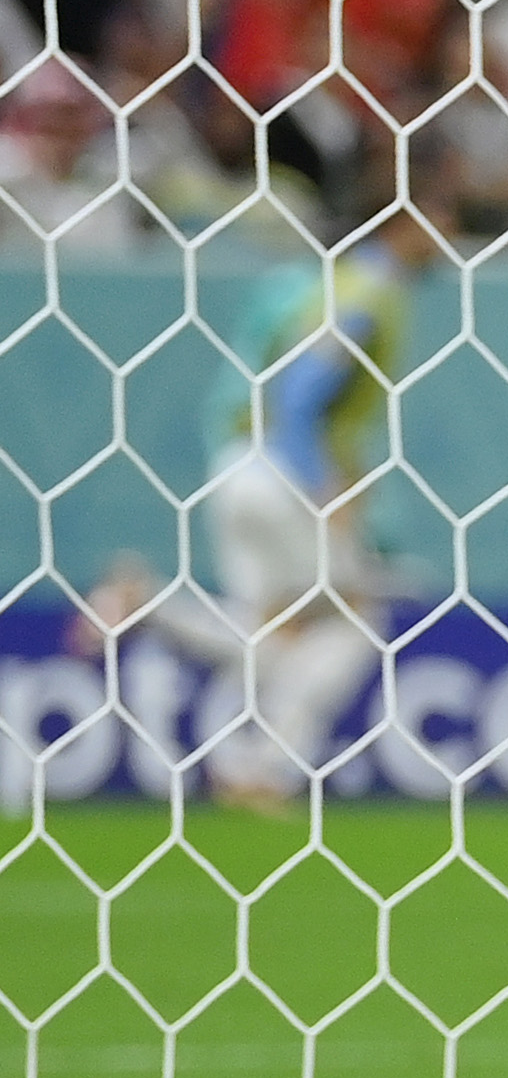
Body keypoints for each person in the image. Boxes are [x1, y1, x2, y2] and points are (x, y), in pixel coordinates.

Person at [90, 215, 427, 804]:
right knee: (354, 619)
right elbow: (298, 396)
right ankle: (266, 769)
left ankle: (147, 602)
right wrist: (324, 485)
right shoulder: (364, 291)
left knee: (274, 636)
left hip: (236, 467)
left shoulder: (302, 283)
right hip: (282, 473)